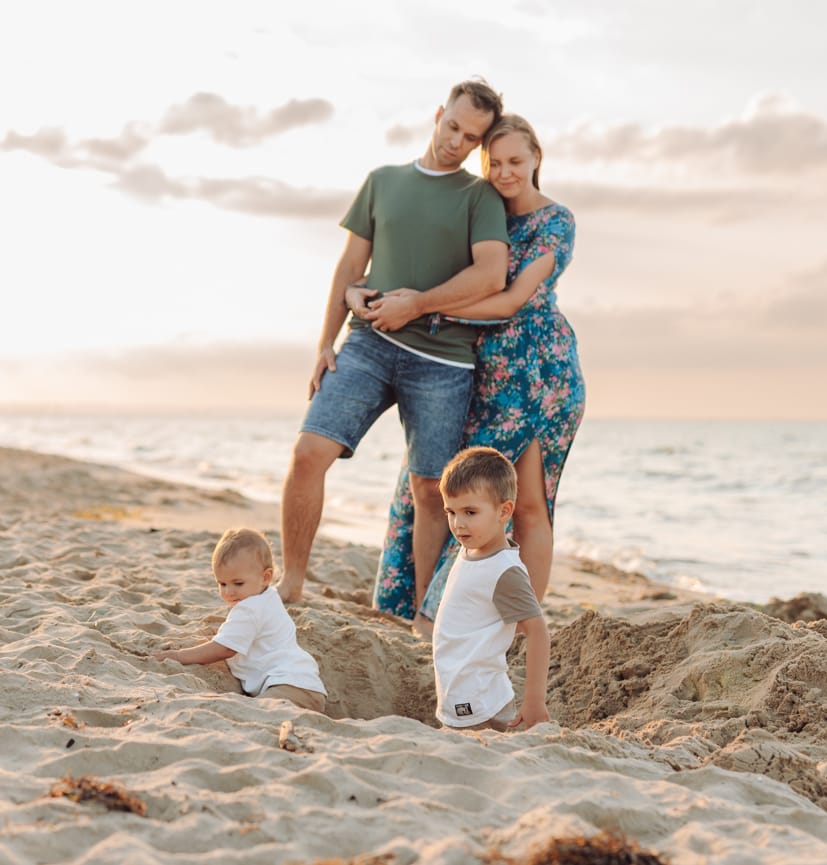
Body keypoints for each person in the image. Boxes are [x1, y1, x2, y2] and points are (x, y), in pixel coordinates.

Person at [277, 79, 511, 631]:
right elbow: (348, 268)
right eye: (452, 126)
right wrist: (325, 343)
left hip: (444, 359)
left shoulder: (480, 196)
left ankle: (426, 617)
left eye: (471, 136)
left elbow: (491, 273)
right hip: (367, 344)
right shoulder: (382, 182)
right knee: (309, 453)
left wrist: (419, 304)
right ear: (437, 115)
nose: (457, 141)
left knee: (431, 491)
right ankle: (291, 581)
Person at [365, 113, 585, 632]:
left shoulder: (557, 221)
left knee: (527, 503)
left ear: (536, 160)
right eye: (495, 162)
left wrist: (424, 309)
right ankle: (416, 609)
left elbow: (511, 301)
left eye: (516, 161)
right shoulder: (483, 215)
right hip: (478, 370)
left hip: (540, 373)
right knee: (447, 484)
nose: (505, 172)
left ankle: (519, 624)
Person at [431, 446, 549, 731]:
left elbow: (537, 631)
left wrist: (534, 699)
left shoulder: (504, 570)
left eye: (470, 512)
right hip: (459, 685)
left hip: (478, 696)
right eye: (451, 512)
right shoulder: (470, 549)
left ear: (504, 511)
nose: (458, 524)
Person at [154, 527, 327, 713]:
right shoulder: (270, 596)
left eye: (238, 583)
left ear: (265, 577)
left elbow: (225, 648)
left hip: (287, 686)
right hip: (307, 684)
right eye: (222, 584)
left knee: (255, 712)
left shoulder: (248, 609)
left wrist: (180, 656)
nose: (229, 592)